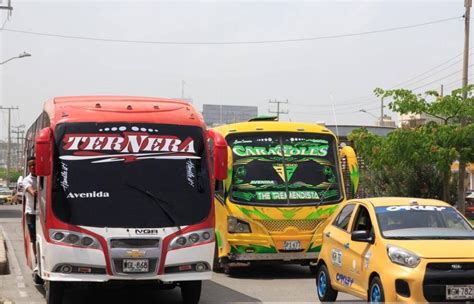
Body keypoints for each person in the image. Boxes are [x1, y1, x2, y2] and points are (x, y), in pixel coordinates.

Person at [23, 157, 37, 249]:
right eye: (30, 165)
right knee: (34, 239)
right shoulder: (27, 180)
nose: (32, 167)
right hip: (31, 213)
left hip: (43, 213)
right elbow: (33, 192)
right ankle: (36, 260)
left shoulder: (44, 177)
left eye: (34, 165)